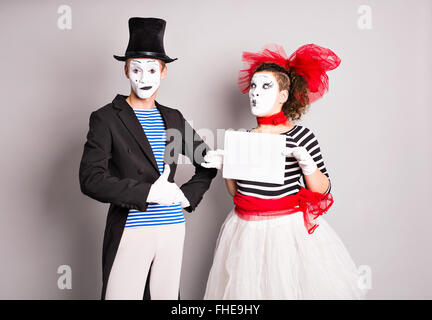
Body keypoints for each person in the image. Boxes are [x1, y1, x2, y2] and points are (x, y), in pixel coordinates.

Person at [202, 44, 366, 299]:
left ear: (283, 95)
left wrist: (307, 163)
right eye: (254, 87)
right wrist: (228, 167)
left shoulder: (300, 135)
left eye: (266, 87)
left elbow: (323, 190)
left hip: (285, 231)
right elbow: (237, 194)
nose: (255, 93)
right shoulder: (243, 137)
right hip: (245, 230)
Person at [79, 17, 217, 300]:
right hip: (131, 227)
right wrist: (148, 191)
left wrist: (186, 196)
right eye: (136, 69)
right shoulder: (106, 118)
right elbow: (90, 179)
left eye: (152, 69)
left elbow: (207, 164)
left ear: (163, 72)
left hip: (172, 229)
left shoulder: (173, 118)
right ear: (126, 70)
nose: (144, 78)